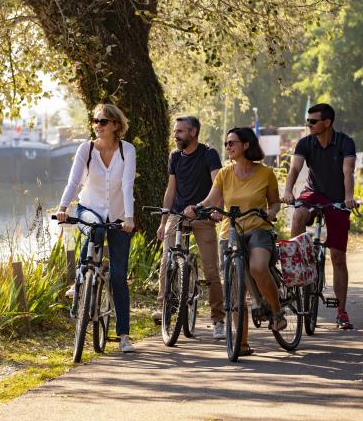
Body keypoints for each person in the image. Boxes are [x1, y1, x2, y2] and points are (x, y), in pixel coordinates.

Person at [185, 127, 283, 356]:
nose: (228, 147)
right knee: (236, 290)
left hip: (258, 229)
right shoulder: (225, 174)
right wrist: (199, 209)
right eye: (226, 143)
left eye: (232, 143)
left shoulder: (265, 173)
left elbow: (275, 203)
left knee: (258, 267)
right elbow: (212, 200)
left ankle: (276, 310)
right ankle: (242, 342)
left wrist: (271, 213)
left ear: (246, 145)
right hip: (231, 231)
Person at [55, 103, 137, 352]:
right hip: (89, 209)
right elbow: (74, 180)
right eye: (95, 121)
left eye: (103, 122)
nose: (97, 126)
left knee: (119, 277)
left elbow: (127, 185)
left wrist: (129, 219)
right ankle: (81, 279)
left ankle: (124, 336)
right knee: (96, 228)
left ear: (115, 125)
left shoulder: (127, 150)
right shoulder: (86, 149)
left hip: (120, 216)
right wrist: (63, 207)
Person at [282, 103, 357, 329]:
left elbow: (348, 171)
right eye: (308, 121)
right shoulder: (305, 142)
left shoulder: (345, 142)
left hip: (338, 198)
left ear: (327, 122)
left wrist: (349, 197)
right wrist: (287, 191)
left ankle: (341, 312)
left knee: (337, 257)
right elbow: (294, 169)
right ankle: (297, 262)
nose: (309, 125)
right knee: (298, 215)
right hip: (313, 192)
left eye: (313, 121)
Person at [153, 116, 225, 340]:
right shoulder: (174, 156)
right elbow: (170, 189)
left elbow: (218, 185)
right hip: (177, 214)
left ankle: (218, 319)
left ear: (193, 132)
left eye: (180, 131)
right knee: (167, 259)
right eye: (175, 131)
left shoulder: (209, 154)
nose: (176, 135)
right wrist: (164, 221)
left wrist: (216, 208)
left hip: (203, 215)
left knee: (211, 269)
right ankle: (164, 306)